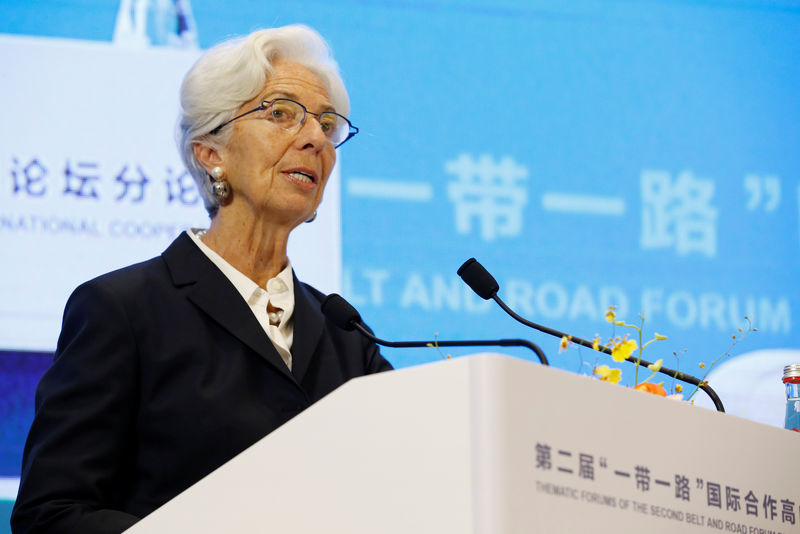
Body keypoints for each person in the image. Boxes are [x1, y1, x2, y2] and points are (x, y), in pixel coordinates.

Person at [11, 25, 392, 534]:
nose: (314, 139)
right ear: (211, 152)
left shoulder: (348, 336)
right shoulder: (123, 309)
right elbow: (51, 514)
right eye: (281, 114)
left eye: (327, 124)